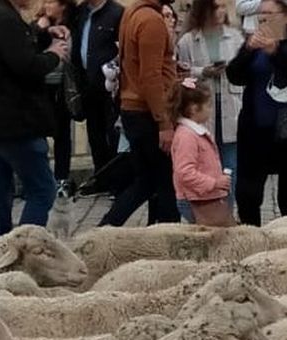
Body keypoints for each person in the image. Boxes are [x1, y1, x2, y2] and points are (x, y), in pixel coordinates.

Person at [0, 0, 67, 267]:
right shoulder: (1, 16)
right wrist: (54, 53)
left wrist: (42, 32)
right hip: (17, 124)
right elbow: (26, 65)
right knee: (42, 190)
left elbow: (12, 50)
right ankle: (22, 258)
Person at [226, 0, 287, 225]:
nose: (263, 18)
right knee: (248, 194)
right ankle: (251, 240)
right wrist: (248, 50)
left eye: (269, 13)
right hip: (256, 128)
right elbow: (234, 75)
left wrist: (276, 52)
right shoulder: (252, 43)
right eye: (260, 13)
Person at [100, 0, 179, 226]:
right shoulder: (151, 20)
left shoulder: (132, 13)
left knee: (147, 182)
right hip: (147, 112)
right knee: (164, 183)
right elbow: (150, 76)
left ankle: (108, 226)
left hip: (134, 109)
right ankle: (167, 236)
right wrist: (164, 122)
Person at [177, 0, 242, 218]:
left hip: (231, 107)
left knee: (231, 169)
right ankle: (204, 215)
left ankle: (227, 215)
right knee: (207, 170)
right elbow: (182, 74)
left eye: (224, 6)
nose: (220, 12)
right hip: (203, 111)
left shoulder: (235, 37)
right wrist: (203, 71)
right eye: (216, 7)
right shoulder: (188, 40)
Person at [69, 0, 124, 189]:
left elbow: (123, 49)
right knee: (95, 134)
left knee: (113, 133)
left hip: (109, 85)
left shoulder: (117, 13)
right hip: (86, 83)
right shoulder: (80, 12)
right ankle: (102, 178)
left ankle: (118, 181)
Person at [171, 77, 233, 224]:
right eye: (208, 106)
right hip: (196, 199)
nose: (210, 110)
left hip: (204, 197)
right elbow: (184, 172)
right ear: (194, 108)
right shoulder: (187, 136)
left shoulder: (195, 132)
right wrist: (214, 183)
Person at [35, 0, 79, 184]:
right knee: (39, 133)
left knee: (62, 134)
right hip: (41, 86)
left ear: (63, 5)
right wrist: (39, 28)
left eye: (51, 1)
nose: (46, 5)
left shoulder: (74, 26)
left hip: (63, 85)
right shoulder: (39, 25)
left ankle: (62, 177)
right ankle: (40, 176)